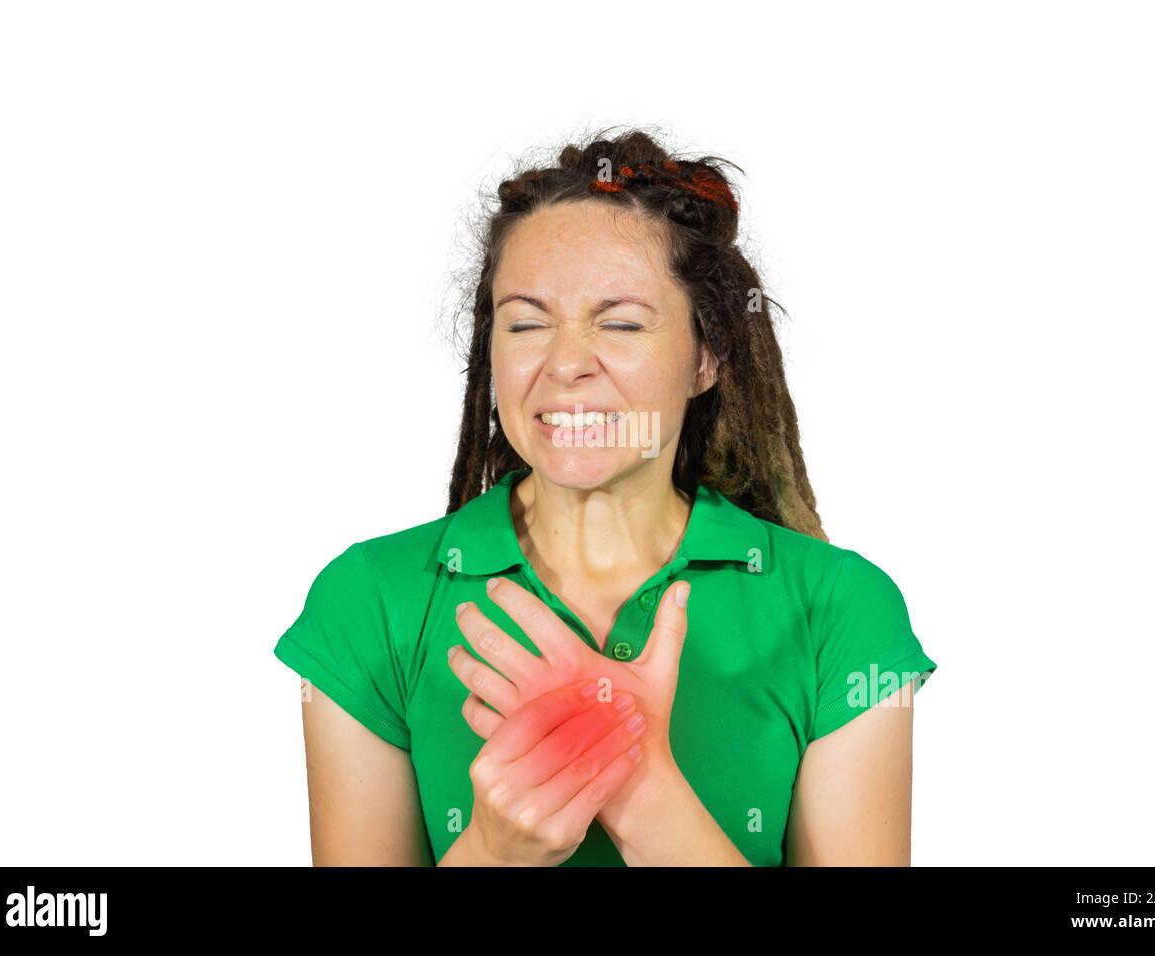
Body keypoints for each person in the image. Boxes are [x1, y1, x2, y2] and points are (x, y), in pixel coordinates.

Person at [273, 126, 938, 866]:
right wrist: (493, 851)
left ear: (708, 356)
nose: (564, 364)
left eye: (620, 323)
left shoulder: (840, 610)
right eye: (525, 323)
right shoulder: (366, 601)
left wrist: (643, 793)